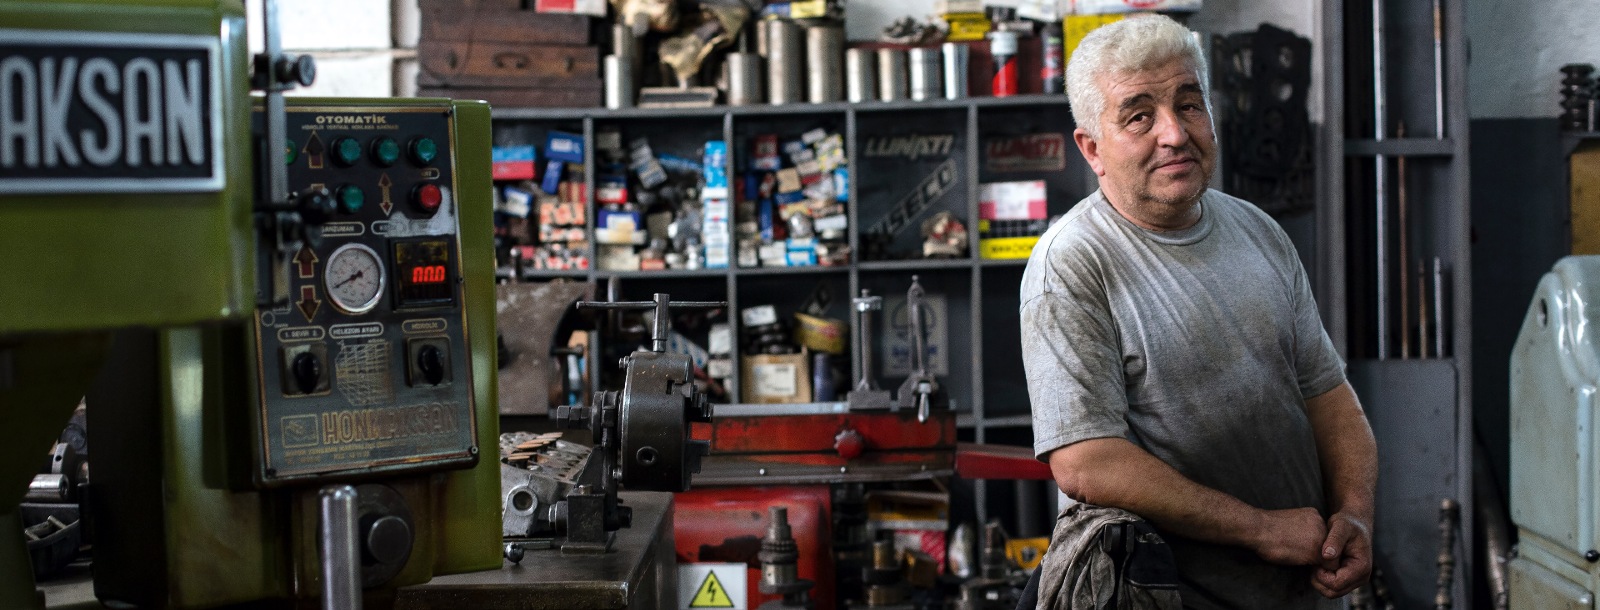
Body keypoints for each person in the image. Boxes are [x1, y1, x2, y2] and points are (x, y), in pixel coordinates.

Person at [1019, 14, 1378, 609]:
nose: (1175, 133)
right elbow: (1087, 462)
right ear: (1092, 148)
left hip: (1299, 591)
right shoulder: (1073, 264)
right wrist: (1262, 528)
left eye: (1190, 105)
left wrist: (1357, 516)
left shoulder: (1257, 229)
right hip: (1166, 597)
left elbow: (1329, 396)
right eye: (1139, 116)